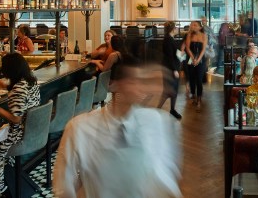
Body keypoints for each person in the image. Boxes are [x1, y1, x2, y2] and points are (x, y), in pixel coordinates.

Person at [53, 58, 182, 198]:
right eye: (133, 81)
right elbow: (63, 185)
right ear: (113, 85)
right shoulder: (80, 128)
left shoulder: (155, 121)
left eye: (144, 81)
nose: (142, 88)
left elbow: (165, 174)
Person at [0, 53, 41, 196]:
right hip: (32, 130)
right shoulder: (30, 81)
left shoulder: (18, 89)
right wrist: (6, 85)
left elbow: (16, 119)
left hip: (18, 134)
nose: (3, 70)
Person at [158, 21, 182, 120]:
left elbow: (174, 53)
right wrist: (174, 70)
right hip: (169, 69)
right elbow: (169, 57)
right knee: (168, 91)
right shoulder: (168, 39)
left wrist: (181, 55)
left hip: (172, 67)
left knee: (173, 91)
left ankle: (172, 109)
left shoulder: (170, 38)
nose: (177, 28)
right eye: (176, 27)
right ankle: (158, 109)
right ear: (172, 29)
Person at [186, 20, 208, 112]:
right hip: (191, 60)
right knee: (192, 79)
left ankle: (199, 99)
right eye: (192, 25)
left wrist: (198, 60)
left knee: (199, 79)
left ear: (200, 27)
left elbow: (203, 50)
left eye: (195, 25)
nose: (192, 26)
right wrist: (193, 58)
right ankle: (193, 95)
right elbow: (187, 47)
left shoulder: (204, 35)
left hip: (201, 60)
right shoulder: (189, 35)